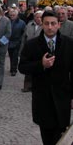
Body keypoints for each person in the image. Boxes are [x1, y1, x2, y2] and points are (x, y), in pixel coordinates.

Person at [19, 10, 73, 145]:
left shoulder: (69, 44)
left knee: (61, 137)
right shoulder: (32, 44)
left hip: (63, 98)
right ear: (41, 24)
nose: (50, 27)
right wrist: (40, 64)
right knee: (47, 137)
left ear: (58, 25)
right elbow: (22, 67)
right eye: (46, 23)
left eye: (53, 23)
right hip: (42, 99)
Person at [19, 10, 43, 92]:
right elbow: (24, 38)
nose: (39, 19)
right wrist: (21, 50)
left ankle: (36, 86)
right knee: (28, 69)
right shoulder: (29, 25)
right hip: (29, 50)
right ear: (34, 17)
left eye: (40, 17)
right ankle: (27, 86)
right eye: (37, 17)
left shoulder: (44, 26)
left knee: (37, 69)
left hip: (39, 50)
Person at [8, 8, 26, 76]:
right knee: (11, 55)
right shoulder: (8, 21)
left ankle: (14, 69)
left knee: (15, 56)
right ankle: (11, 67)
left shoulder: (21, 23)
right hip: (9, 41)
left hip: (17, 41)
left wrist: (21, 40)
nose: (12, 16)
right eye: (11, 15)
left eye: (13, 15)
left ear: (16, 15)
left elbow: (23, 32)